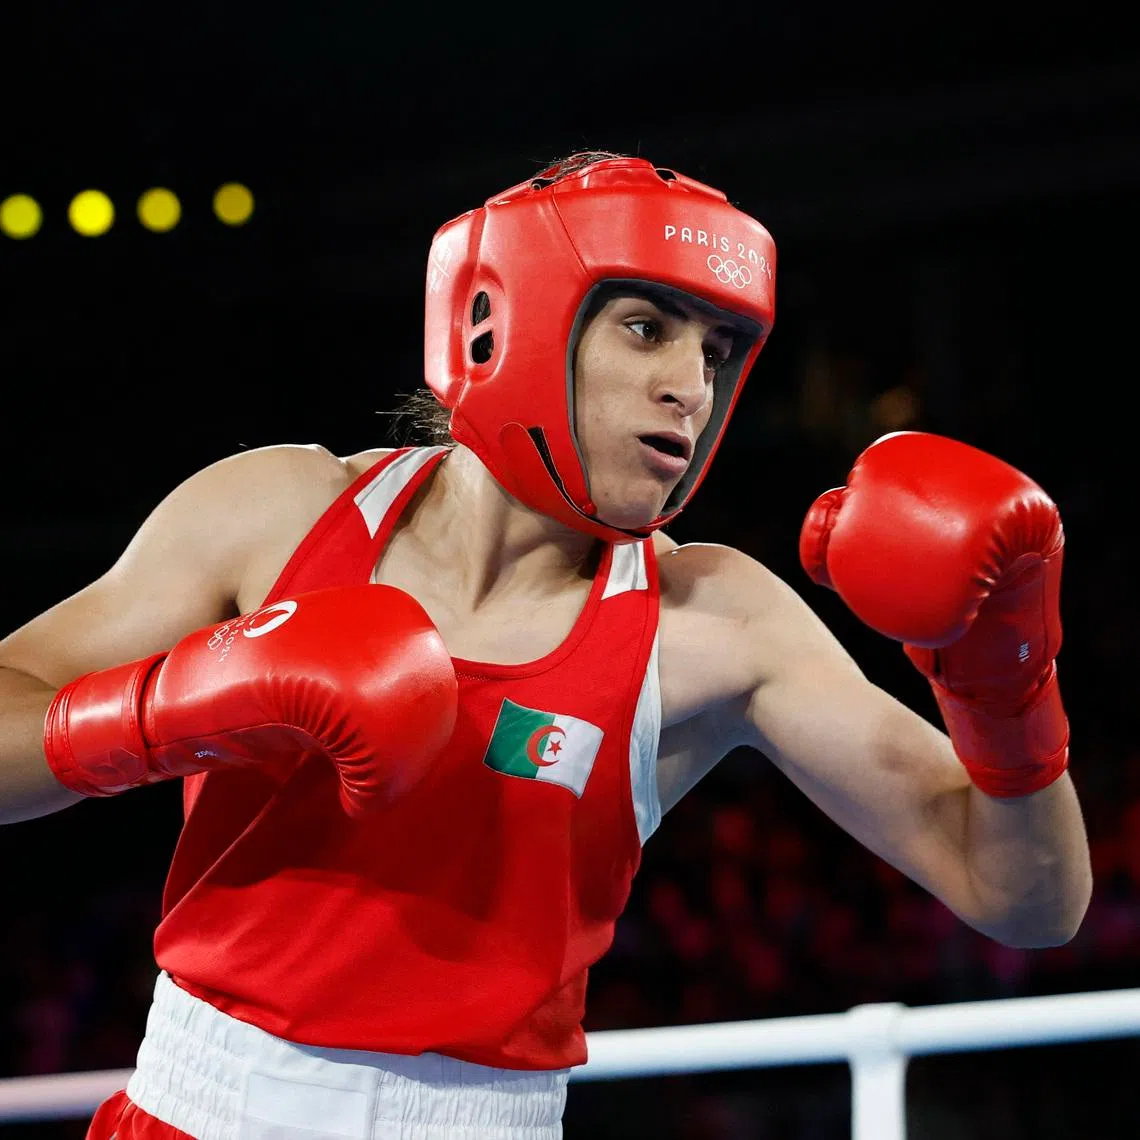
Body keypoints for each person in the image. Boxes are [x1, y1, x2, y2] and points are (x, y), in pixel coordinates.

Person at [0, 150, 1091, 1140]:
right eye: (645, 328)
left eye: (718, 351)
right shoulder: (276, 513)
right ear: (499, 322)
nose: (692, 386)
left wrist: (1007, 678)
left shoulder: (712, 622)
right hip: (194, 1110)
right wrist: (156, 715)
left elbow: (1027, 900)